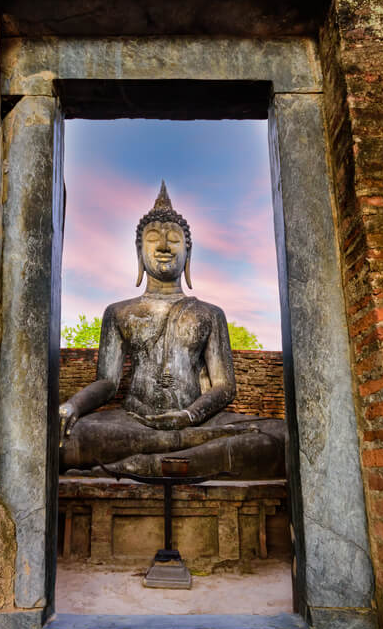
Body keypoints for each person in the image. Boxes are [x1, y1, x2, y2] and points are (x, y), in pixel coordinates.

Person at [58, 182, 286, 479]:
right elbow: (107, 383)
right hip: (134, 422)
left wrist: (188, 416)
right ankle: (184, 454)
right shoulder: (118, 312)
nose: (164, 247)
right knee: (63, 439)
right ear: (139, 252)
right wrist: (73, 405)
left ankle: (144, 462)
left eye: (174, 240)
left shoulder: (209, 313)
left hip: (197, 421)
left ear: (188, 253)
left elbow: (224, 386)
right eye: (153, 239)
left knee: (280, 439)